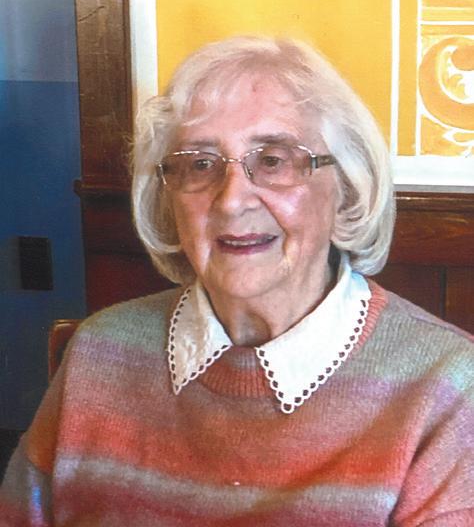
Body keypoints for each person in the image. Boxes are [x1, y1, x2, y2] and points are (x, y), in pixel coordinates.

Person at [1, 36, 472, 526]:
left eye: (273, 160)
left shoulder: (444, 390)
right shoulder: (98, 351)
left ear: (347, 192)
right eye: (200, 164)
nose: (231, 201)